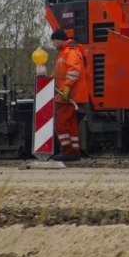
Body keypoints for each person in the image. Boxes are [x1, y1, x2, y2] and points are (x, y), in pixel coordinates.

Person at [51, 28, 86, 162]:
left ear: (60, 40)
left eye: (54, 41)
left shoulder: (69, 52)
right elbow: (63, 72)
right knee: (71, 124)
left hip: (68, 96)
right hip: (70, 95)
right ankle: (74, 151)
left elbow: (73, 71)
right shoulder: (65, 52)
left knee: (61, 123)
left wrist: (65, 89)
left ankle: (67, 151)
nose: (53, 44)